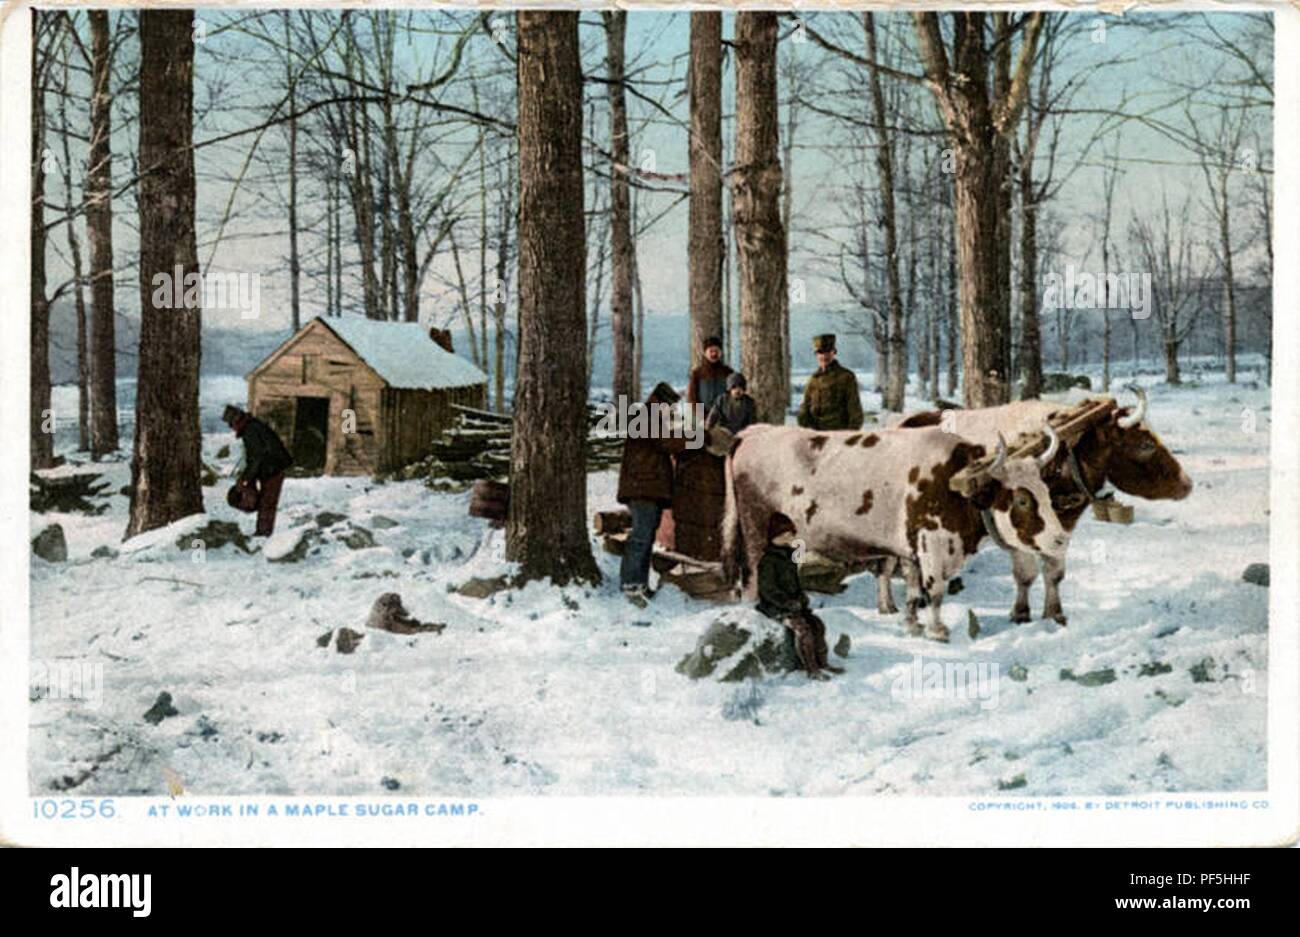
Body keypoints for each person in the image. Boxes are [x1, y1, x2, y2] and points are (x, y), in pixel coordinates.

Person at [616, 383, 689, 606]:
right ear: (661, 402)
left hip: (647, 488)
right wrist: (700, 437)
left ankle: (638, 583)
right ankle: (631, 585)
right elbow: (668, 442)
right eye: (670, 407)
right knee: (641, 537)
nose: (672, 411)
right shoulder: (647, 418)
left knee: (645, 537)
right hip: (643, 489)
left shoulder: (650, 417)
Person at [756, 512, 842, 680]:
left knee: (817, 625)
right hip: (775, 608)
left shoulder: (789, 557)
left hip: (794, 605)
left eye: (791, 534)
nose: (790, 537)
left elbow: (794, 584)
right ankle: (812, 670)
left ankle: (822, 663)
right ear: (775, 536)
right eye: (785, 534)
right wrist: (787, 603)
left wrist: (801, 598)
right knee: (803, 630)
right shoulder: (768, 561)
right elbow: (768, 590)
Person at [222, 405, 293, 537]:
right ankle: (262, 531)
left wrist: (246, 478)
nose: (231, 428)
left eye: (231, 424)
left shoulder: (251, 430)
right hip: (268, 467)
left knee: (267, 502)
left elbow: (256, 457)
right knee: (265, 501)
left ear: (236, 420)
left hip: (273, 468)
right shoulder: (252, 427)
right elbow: (254, 458)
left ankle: (264, 533)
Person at [797, 334, 864, 431]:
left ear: (834, 352)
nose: (824, 356)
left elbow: (855, 411)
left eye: (828, 352)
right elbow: (805, 408)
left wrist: (849, 437)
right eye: (820, 352)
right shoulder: (813, 380)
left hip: (838, 437)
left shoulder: (846, 377)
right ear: (816, 355)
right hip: (816, 437)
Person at [687, 335, 733, 413]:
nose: (714, 354)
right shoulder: (697, 374)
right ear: (705, 353)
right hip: (702, 418)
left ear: (720, 352)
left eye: (716, 351)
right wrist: (703, 416)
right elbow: (692, 398)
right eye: (711, 351)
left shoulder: (728, 372)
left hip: (724, 418)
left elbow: (733, 396)